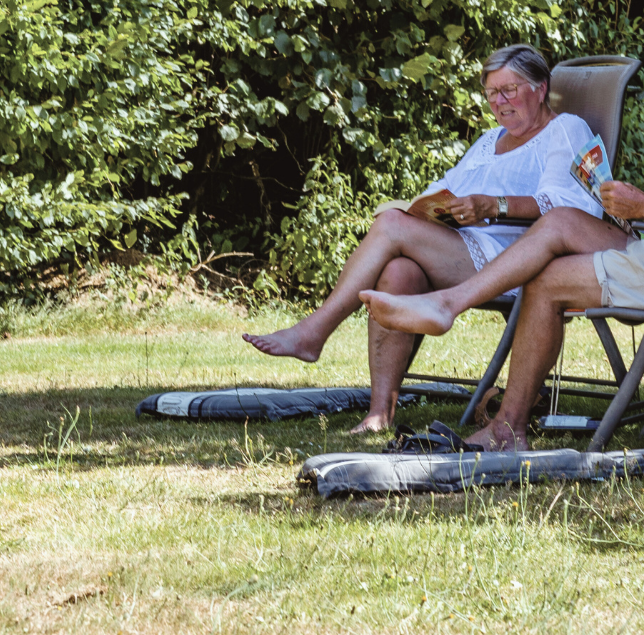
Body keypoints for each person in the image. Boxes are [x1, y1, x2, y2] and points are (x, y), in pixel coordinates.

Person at [361, 19, 644, 450]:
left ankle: (507, 425)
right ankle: (449, 305)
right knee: (561, 222)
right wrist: (638, 217)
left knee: (548, 278)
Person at [243, 44, 624, 434]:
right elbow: (446, 188)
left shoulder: (566, 129)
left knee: (392, 225)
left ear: (541, 88)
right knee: (398, 270)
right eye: (492, 93)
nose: (500, 101)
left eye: (510, 89)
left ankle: (315, 330)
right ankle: (379, 413)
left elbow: (568, 207)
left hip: (516, 259)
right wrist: (430, 209)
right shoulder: (489, 141)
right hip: (466, 250)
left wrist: (495, 205)